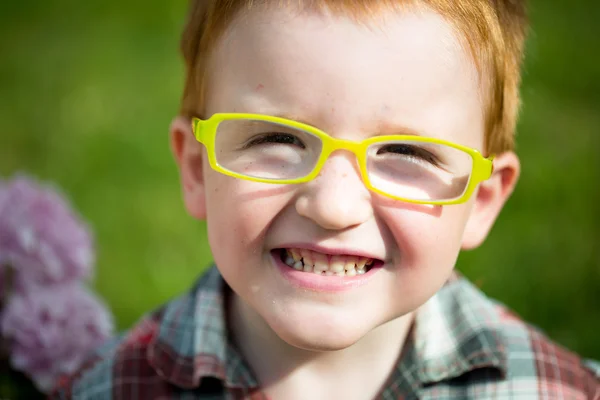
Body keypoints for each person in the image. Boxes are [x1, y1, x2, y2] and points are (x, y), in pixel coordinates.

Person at [51, 0, 600, 398]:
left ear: (480, 200)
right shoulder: (108, 389)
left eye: (407, 153)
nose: (334, 206)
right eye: (277, 139)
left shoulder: (554, 390)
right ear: (196, 168)